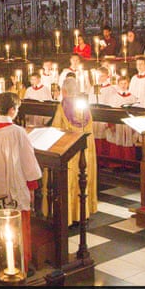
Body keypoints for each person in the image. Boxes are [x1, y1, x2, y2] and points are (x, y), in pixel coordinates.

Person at [0, 92, 43, 266]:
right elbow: (27, 161)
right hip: (12, 187)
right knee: (18, 223)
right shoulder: (17, 132)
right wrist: (32, 186)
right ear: (11, 110)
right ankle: (19, 262)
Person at [49, 77, 98, 223]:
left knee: (70, 179)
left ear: (63, 91)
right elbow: (89, 126)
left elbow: (56, 129)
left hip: (69, 148)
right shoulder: (84, 105)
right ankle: (83, 212)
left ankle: (70, 215)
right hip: (85, 147)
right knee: (83, 179)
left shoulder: (63, 106)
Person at [99, 75, 139, 164]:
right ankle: (116, 164)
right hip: (117, 125)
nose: (123, 85)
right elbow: (110, 113)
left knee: (128, 142)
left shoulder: (133, 97)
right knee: (116, 142)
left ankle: (129, 164)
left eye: (125, 83)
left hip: (128, 125)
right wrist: (111, 124)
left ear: (128, 84)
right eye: (121, 83)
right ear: (118, 84)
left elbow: (136, 113)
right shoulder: (113, 97)